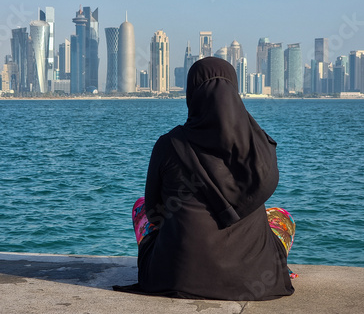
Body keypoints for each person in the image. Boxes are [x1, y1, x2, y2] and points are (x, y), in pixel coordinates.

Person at [115, 57, 296, 300]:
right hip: (255, 279)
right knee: (281, 216)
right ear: (235, 91)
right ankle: (275, 266)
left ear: (191, 94)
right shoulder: (259, 147)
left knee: (140, 208)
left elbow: (153, 212)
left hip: (174, 276)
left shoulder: (169, 145)